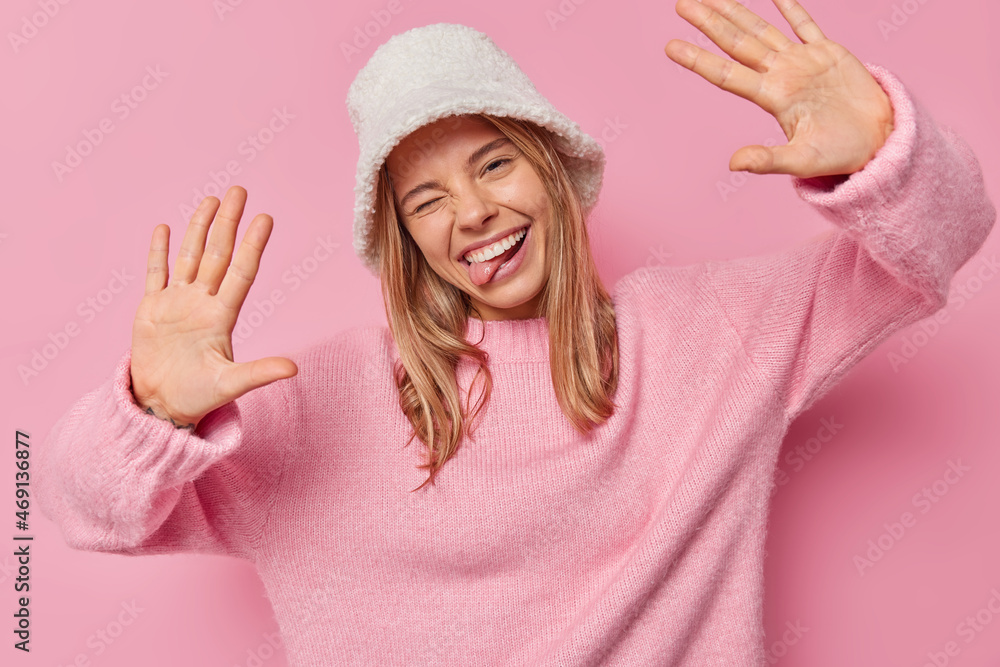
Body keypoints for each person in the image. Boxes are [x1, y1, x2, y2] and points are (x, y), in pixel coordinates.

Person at [37, 1, 995, 665]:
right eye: (426, 199)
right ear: (405, 240)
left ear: (554, 169)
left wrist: (883, 145)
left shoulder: (711, 336)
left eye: (494, 163)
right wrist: (150, 412)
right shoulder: (322, 401)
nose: (472, 213)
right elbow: (81, 511)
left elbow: (940, 242)